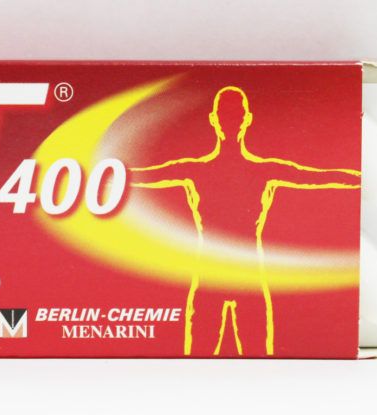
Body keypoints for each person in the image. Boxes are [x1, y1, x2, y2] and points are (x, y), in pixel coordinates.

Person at [130, 86, 360, 356]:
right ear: (215, 119)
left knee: (256, 357)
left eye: (235, 114)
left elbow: (318, 177)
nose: (231, 121)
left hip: (247, 278)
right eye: (226, 114)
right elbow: (141, 175)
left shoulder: (259, 170)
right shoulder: (196, 170)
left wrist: (361, 178)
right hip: (212, 277)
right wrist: (104, 175)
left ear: (246, 118)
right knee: (201, 357)